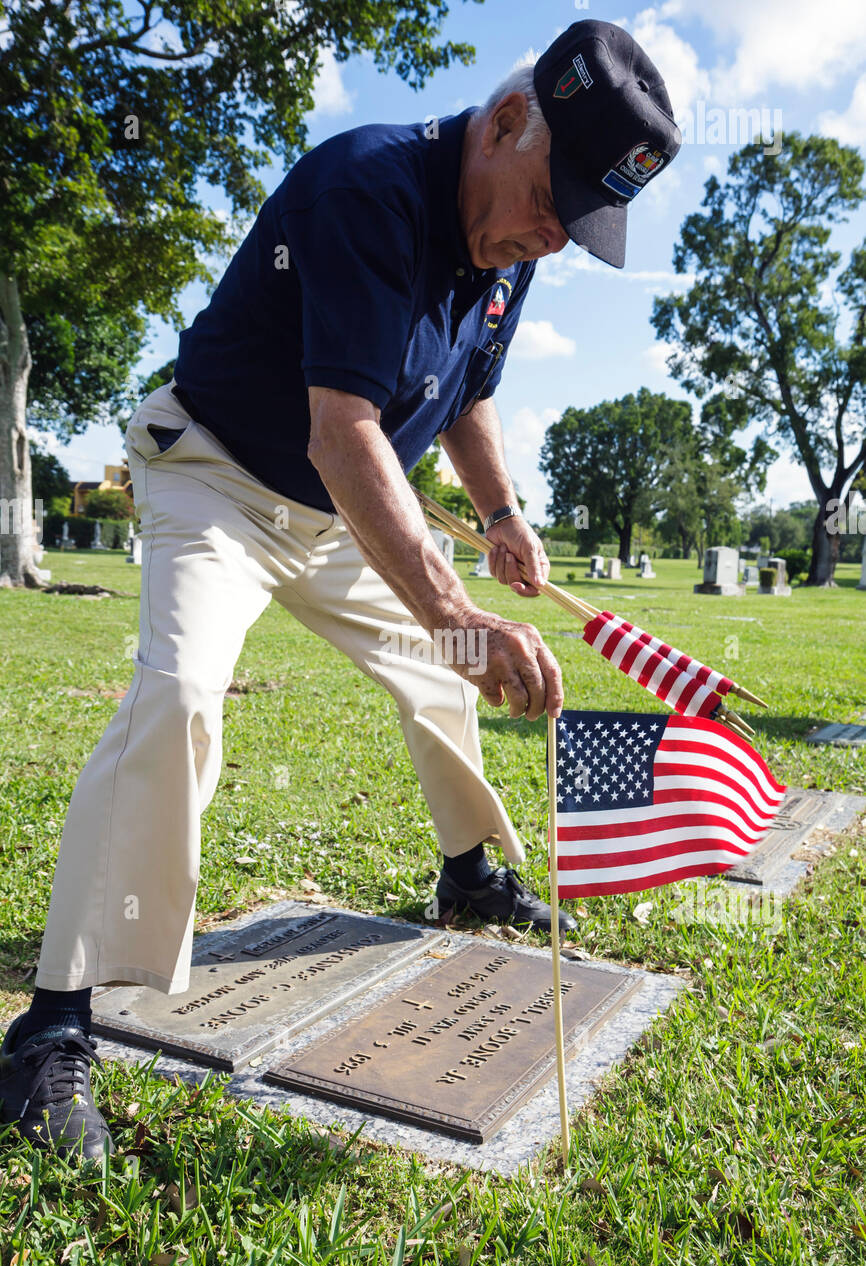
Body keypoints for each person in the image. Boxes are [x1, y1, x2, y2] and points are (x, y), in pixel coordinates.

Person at [0, 19, 681, 1158]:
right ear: (507, 120)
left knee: (444, 673)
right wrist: (458, 609)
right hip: (217, 474)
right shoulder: (367, 184)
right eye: (549, 200)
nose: (551, 237)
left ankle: (467, 874)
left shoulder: (504, 257)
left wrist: (503, 522)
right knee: (180, 695)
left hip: (335, 511)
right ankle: (52, 1028)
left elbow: (462, 400)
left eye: (575, 222)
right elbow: (342, 428)